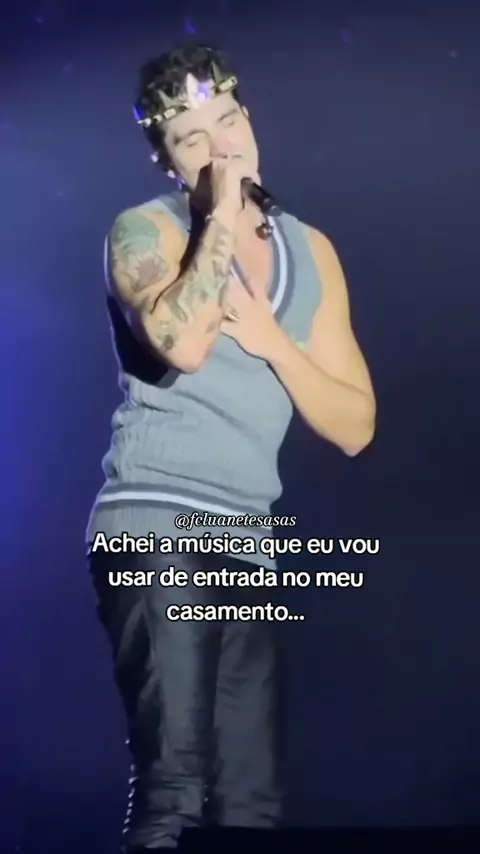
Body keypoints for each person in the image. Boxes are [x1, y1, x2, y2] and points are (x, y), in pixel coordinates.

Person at [86, 40, 376, 852]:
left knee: (251, 805)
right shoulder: (145, 230)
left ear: (249, 119)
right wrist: (217, 215)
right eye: (192, 139)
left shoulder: (310, 251)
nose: (219, 147)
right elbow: (181, 343)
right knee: (176, 788)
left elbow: (355, 426)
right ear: (167, 161)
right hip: (156, 525)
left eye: (227, 123)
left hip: (247, 541)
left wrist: (273, 339)